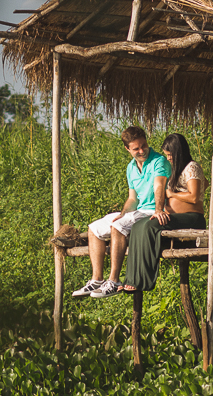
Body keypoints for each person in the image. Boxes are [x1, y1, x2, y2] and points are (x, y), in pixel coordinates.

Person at [72, 126, 171, 299]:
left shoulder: (159, 161)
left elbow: (159, 186)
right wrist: (123, 213)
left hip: (151, 212)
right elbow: (132, 198)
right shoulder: (131, 168)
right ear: (127, 149)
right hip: (138, 209)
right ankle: (97, 280)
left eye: (143, 145)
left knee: (118, 226)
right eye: (136, 149)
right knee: (94, 228)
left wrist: (158, 209)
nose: (141, 151)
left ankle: (114, 280)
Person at [123, 133, 206, 292]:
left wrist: (172, 195)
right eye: (167, 155)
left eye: (170, 155)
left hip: (192, 218)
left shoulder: (192, 167)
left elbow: (195, 197)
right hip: (177, 217)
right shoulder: (181, 169)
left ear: (178, 152)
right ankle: (131, 278)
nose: (168, 158)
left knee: (150, 227)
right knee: (138, 226)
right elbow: (205, 183)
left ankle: (144, 280)